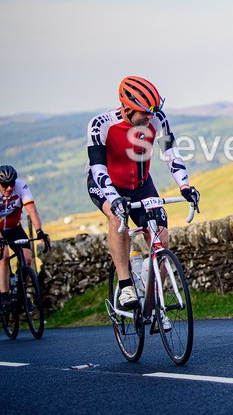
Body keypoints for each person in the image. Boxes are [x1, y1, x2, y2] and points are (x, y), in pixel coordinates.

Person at [87, 76, 199, 310]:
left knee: (162, 237)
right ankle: (126, 283)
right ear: (126, 108)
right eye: (144, 114)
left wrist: (185, 186)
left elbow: (171, 153)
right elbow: (97, 167)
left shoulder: (157, 118)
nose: (150, 118)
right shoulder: (101, 124)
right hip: (107, 184)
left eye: (153, 113)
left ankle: (153, 299)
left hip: (141, 183)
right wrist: (114, 198)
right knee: (118, 218)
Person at [0, 165, 51, 309]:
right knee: (4, 256)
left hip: (14, 228)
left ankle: (21, 296)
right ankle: (5, 297)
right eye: (5, 185)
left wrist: (39, 231)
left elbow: (32, 210)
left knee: (26, 258)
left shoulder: (21, 186)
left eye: (11, 184)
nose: (9, 188)